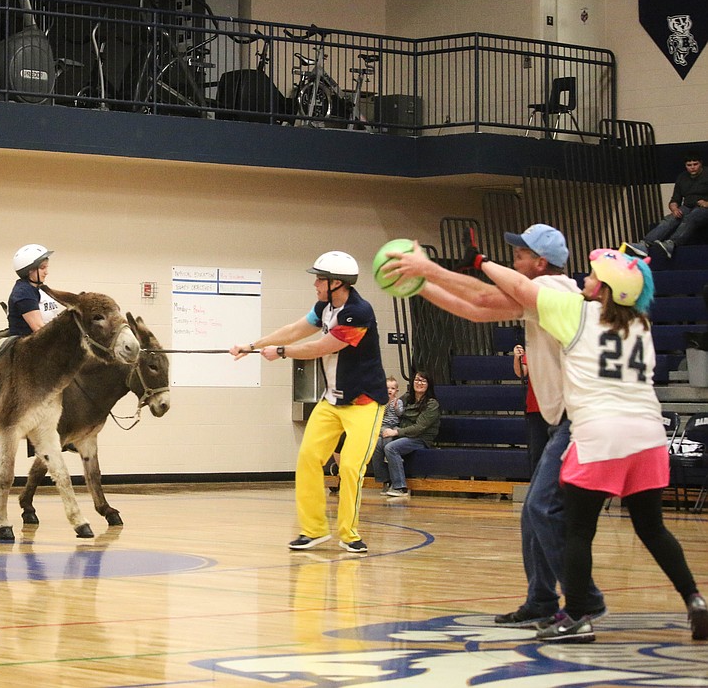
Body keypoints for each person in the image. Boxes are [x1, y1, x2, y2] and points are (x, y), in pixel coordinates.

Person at [476, 245, 706, 643]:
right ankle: (696, 601)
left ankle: (578, 616)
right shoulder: (642, 324)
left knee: (579, 531)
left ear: (607, 289)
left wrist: (481, 263)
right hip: (648, 435)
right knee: (653, 529)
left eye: (595, 275)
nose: (587, 277)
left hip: (601, 434)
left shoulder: (577, 313)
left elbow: (519, 286)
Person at [384, 224, 604, 628]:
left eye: (519, 254)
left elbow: (484, 295)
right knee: (534, 513)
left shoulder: (555, 291)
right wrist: (418, 285)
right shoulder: (541, 295)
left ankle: (583, 599)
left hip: (582, 420)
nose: (513, 258)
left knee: (541, 507)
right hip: (561, 420)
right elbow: (477, 309)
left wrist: (428, 270)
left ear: (539, 263)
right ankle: (541, 598)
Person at [230, 251, 387, 554]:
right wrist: (251, 346)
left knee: (352, 467)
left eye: (320, 278)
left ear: (337, 282)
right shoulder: (324, 307)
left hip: (365, 402)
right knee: (308, 458)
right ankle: (314, 530)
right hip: (332, 402)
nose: (315, 283)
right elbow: (294, 330)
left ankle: (349, 534)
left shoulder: (358, 313)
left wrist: (283, 352)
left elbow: (321, 347)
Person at [626, 152, 708, 259]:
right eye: (689, 165)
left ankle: (672, 243)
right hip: (688, 206)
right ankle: (645, 244)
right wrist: (674, 208)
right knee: (670, 219)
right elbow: (675, 199)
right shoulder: (682, 177)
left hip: (704, 208)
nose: (692, 167)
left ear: (700, 164)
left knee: (692, 217)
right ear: (685, 166)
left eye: (695, 164)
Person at [371, 371, 439, 497]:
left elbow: (419, 428)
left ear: (429, 385)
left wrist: (396, 431)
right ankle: (386, 481)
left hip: (419, 439)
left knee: (391, 447)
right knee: (377, 444)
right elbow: (392, 402)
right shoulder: (407, 398)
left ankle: (400, 487)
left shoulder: (432, 404)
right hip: (403, 434)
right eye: (417, 380)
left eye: (423, 381)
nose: (419, 383)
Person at [7, 243, 62, 335]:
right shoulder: (23, 292)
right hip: (26, 345)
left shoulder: (38, 288)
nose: (46, 272)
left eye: (46, 267)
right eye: (42, 268)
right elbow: (39, 328)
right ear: (29, 270)